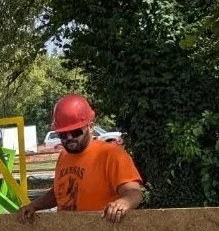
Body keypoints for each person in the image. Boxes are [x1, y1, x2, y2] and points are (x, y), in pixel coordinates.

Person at [18, 94, 144, 223]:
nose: (69, 137)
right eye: (63, 134)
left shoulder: (112, 155)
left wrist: (124, 202)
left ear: (90, 127)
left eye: (75, 132)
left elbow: (134, 193)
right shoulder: (63, 156)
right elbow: (58, 193)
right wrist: (34, 205)